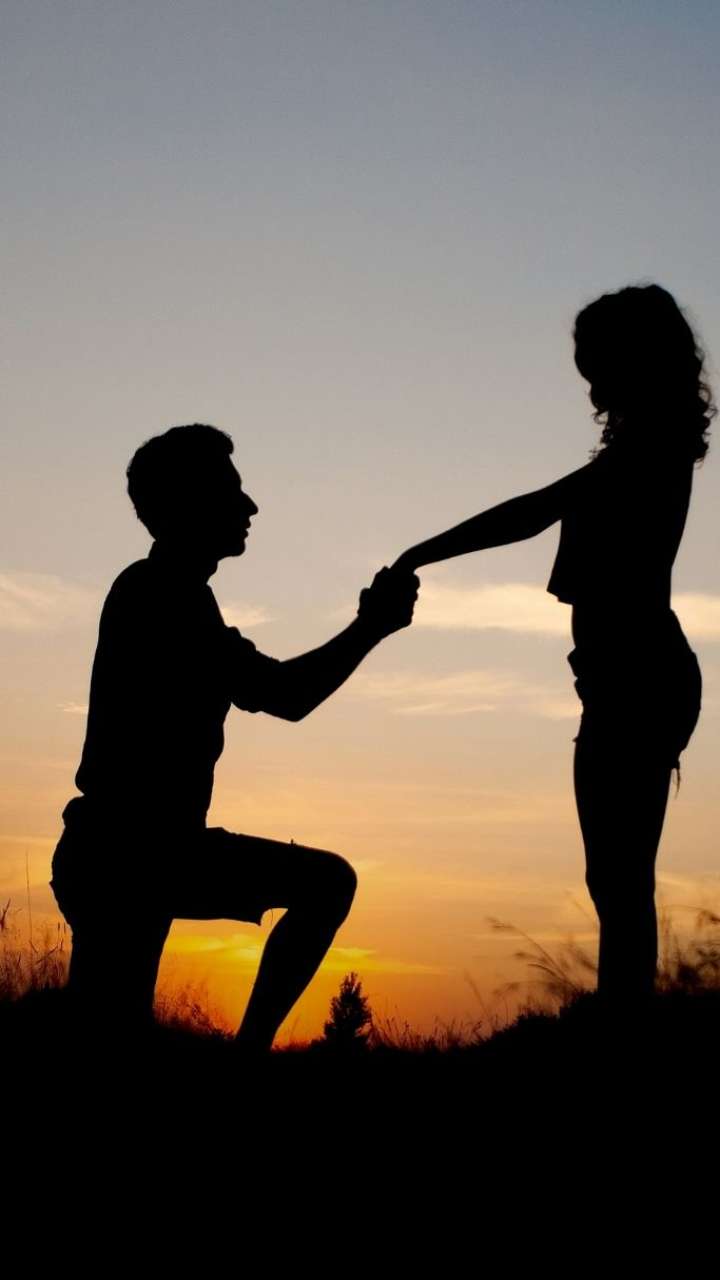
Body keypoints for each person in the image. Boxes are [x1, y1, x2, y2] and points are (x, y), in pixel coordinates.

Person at [393, 284, 714, 1009]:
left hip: (637, 676)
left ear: (636, 361)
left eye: (598, 365)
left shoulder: (646, 448)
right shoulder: (645, 445)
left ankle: (624, 1016)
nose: (590, 385)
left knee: (620, 878)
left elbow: (533, 512)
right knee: (616, 877)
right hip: (625, 676)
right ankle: (623, 1011)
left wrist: (421, 552)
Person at [50, 423, 419, 1052]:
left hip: (137, 852)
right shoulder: (162, 595)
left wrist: (371, 627)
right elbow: (287, 695)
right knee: (107, 1036)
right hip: (128, 855)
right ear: (187, 504)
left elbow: (282, 692)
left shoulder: (176, 595)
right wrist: (371, 627)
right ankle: (248, 1055)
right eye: (231, 491)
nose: (250, 506)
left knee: (109, 1031)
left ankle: (247, 1054)